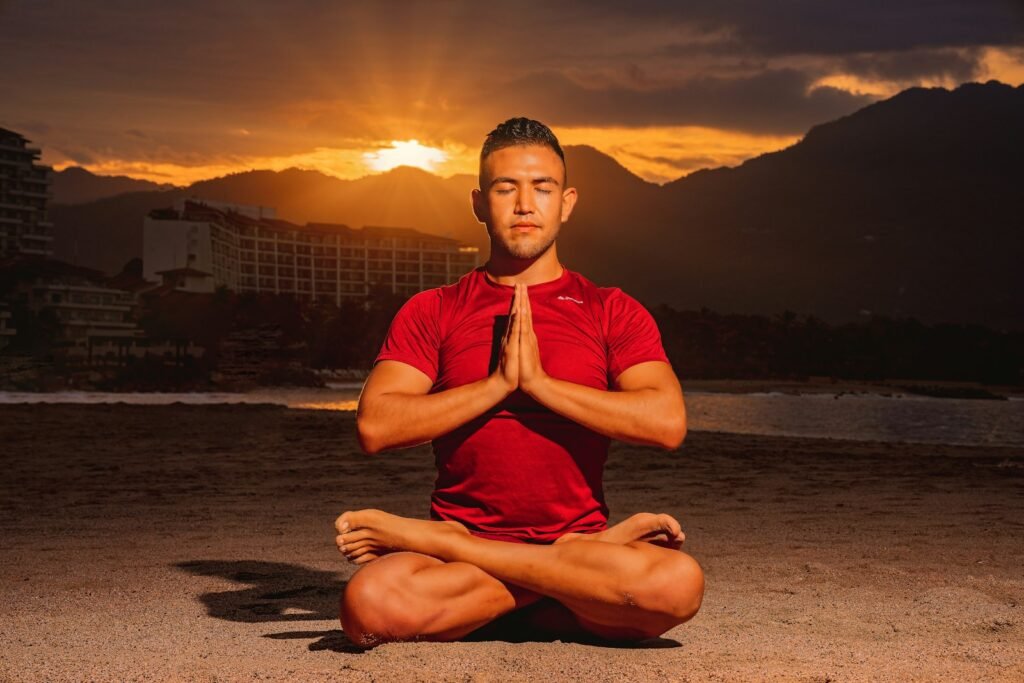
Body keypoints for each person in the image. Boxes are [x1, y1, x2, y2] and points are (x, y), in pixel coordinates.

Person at [334, 117, 704, 648]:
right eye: (505, 188)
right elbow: (375, 426)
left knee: (678, 584)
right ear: (479, 204)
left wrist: (541, 385)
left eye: (542, 188)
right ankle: (552, 581)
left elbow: (667, 422)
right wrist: (497, 385)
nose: (524, 204)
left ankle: (470, 557)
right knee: (368, 608)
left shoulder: (610, 310)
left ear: (567, 202)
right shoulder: (434, 309)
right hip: (570, 569)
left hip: (527, 551)